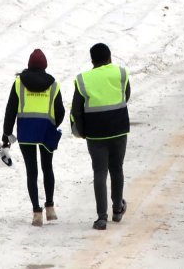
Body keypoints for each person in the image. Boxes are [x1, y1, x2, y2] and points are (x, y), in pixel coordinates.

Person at [70, 42, 131, 231]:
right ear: (110, 57)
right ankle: (117, 209)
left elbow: (76, 110)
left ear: (92, 60)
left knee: (99, 172)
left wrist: (79, 131)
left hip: (95, 134)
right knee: (117, 169)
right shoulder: (121, 73)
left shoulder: (84, 79)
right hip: (119, 129)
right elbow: (125, 96)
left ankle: (101, 218)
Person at [3, 48, 65, 226]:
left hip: (26, 131)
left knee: (32, 171)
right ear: (45, 66)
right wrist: (52, 124)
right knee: (47, 168)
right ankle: (50, 207)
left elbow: (11, 110)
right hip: (46, 130)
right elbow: (60, 111)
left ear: (29, 65)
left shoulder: (18, 83)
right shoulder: (54, 85)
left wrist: (7, 133)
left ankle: (37, 213)